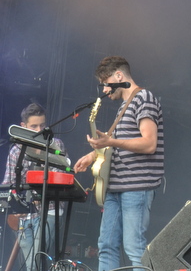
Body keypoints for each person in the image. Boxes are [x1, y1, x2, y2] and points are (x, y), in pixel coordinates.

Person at [74, 56, 164, 271]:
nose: (105, 90)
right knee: (106, 246)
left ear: (119, 75)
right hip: (115, 187)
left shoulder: (144, 98)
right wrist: (93, 156)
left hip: (136, 187)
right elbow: (118, 143)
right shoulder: (125, 105)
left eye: (106, 83)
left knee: (134, 247)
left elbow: (149, 143)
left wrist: (111, 141)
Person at [2, 103, 68, 271]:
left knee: (36, 261)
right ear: (23, 126)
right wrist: (16, 206)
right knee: (31, 263)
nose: (39, 130)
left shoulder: (55, 145)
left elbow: (60, 179)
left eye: (42, 125)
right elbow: (8, 184)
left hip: (50, 209)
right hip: (23, 216)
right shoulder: (16, 150)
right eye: (34, 126)